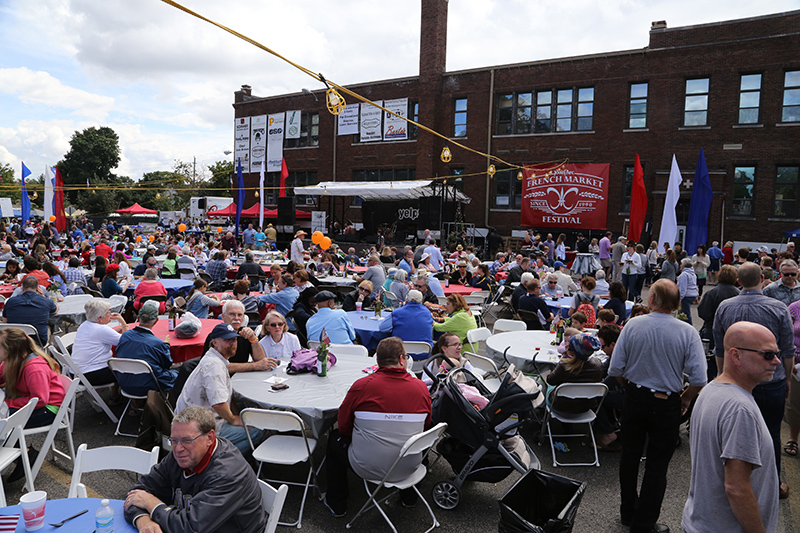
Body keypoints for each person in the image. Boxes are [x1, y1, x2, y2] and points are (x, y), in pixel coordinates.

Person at [608, 279, 707, 533]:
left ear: (651, 299)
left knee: (629, 457)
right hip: (666, 402)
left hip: (636, 397)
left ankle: (628, 513)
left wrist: (628, 387)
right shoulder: (687, 332)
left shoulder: (632, 325)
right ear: (676, 304)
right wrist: (685, 397)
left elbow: (616, 367)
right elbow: (699, 379)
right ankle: (643, 524)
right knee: (657, 465)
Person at [682, 322, 779, 533]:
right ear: (735, 356)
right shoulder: (740, 409)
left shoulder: (711, 389)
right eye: (768, 355)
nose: (777, 361)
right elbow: (736, 488)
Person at [323, 337, 431, 516]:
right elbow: (426, 426)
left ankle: (337, 503)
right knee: (417, 440)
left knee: (334, 439)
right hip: (410, 465)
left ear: (377, 361)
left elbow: (343, 426)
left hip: (366, 465)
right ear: (402, 359)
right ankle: (409, 498)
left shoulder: (361, 386)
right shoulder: (421, 388)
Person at [714, 262, 794, 499]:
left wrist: (721, 375)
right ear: (762, 278)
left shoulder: (725, 307)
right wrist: (787, 379)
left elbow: (720, 348)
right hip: (771, 381)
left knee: (731, 434)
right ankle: (774, 483)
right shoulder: (779, 308)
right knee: (771, 433)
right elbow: (787, 350)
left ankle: (730, 480)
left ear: (738, 281)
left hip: (735, 381)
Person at [123, 406, 265, 533]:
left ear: (210, 437)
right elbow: (137, 493)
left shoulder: (228, 473)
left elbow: (191, 527)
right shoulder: (180, 456)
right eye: (173, 440)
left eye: (187, 440)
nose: (178, 449)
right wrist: (142, 520)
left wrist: (151, 503)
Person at [176, 324, 265, 456]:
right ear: (215, 343)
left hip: (192, 418)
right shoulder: (214, 366)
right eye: (227, 340)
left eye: (234, 340)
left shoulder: (216, 359)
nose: (233, 344)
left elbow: (225, 398)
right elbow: (218, 403)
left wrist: (237, 416)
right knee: (258, 430)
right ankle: (215, 461)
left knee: (245, 413)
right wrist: (234, 419)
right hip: (197, 427)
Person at [0, 327, 71, 482]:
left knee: (4, 422)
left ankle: (26, 454)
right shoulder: (12, 360)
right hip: (33, 403)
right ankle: (22, 454)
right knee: (5, 417)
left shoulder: (34, 368)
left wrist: (9, 402)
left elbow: (40, 400)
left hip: (48, 409)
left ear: (10, 350)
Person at [115, 301, 178, 396]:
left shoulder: (125, 335)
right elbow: (167, 364)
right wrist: (166, 345)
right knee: (180, 372)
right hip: (149, 386)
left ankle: (134, 404)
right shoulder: (157, 343)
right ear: (156, 320)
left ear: (138, 318)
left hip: (125, 384)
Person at [72, 298, 128, 389]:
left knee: (117, 364)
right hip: (91, 374)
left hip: (76, 372)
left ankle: (115, 396)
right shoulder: (101, 329)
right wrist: (123, 323)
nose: (110, 314)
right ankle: (130, 400)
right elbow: (127, 341)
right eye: (107, 313)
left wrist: (115, 332)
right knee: (129, 370)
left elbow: (98, 337)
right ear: (100, 318)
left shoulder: (85, 324)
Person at [545, 333, 604, 412]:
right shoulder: (597, 365)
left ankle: (542, 414)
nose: (566, 347)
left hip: (560, 406)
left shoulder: (564, 365)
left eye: (569, 347)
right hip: (586, 406)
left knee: (548, 386)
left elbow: (550, 380)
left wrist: (564, 358)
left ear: (574, 352)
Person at [697, 265, 739, 357]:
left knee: (709, 362)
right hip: (733, 333)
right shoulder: (738, 294)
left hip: (711, 330)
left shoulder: (711, 293)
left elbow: (702, 312)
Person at [2, 276, 57, 346]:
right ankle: (43, 354)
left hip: (14, 341)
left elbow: (5, 321)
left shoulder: (11, 301)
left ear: (22, 288)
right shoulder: (46, 301)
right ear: (37, 288)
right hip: (38, 341)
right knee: (48, 327)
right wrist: (43, 295)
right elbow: (55, 310)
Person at [677, 258, 699, 324]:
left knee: (685, 313)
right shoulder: (693, 274)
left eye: (681, 264)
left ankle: (689, 326)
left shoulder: (684, 275)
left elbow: (683, 288)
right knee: (682, 311)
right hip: (693, 294)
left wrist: (679, 298)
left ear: (684, 265)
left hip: (686, 295)